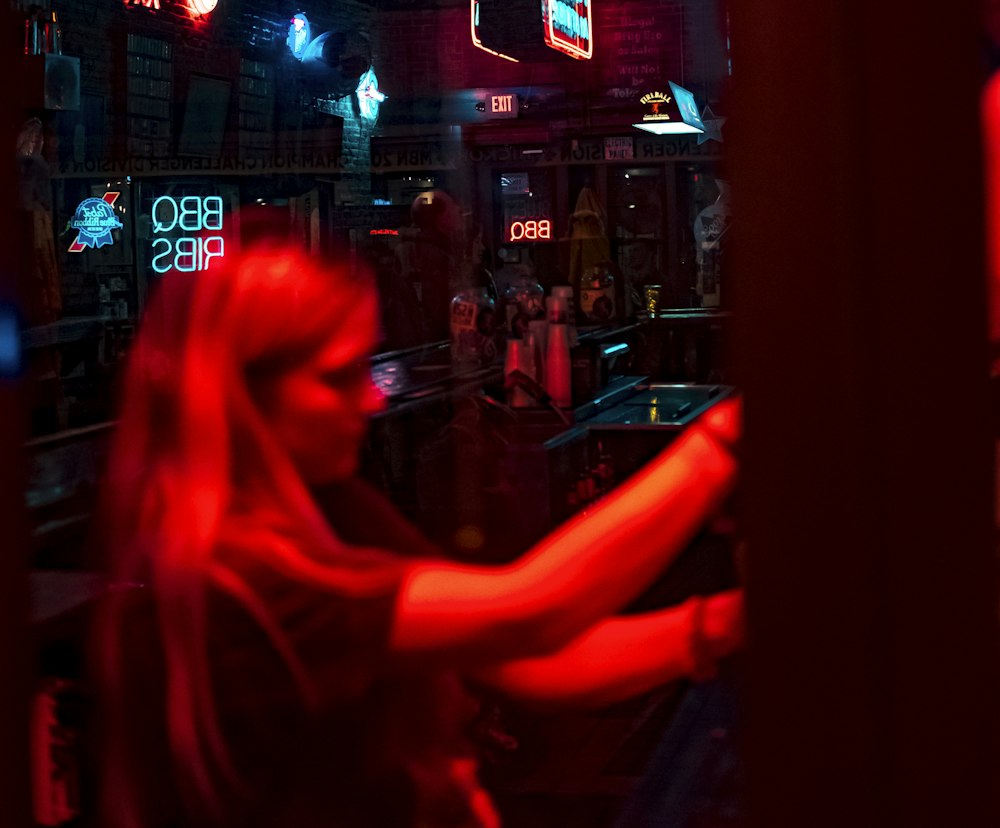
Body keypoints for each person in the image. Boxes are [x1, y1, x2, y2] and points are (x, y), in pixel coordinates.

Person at [96, 241, 743, 828]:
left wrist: (725, 623)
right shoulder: (238, 582)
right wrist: (721, 445)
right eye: (339, 376)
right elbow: (531, 610)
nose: (373, 400)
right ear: (243, 396)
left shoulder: (338, 513)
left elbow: (529, 661)